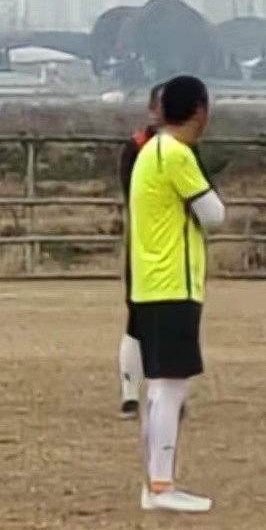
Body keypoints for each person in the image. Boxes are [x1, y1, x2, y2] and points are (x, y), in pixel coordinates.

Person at [127, 75, 226, 513]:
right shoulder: (176, 153)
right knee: (170, 387)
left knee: (159, 388)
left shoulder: (149, 151)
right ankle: (161, 486)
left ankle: (156, 480)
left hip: (148, 281)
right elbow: (215, 215)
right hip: (174, 282)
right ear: (200, 111)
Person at [117, 84, 164, 417]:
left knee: (174, 321)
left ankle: (167, 392)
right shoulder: (137, 146)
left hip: (179, 245)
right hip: (146, 244)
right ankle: (130, 393)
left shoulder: (187, 149)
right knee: (139, 317)